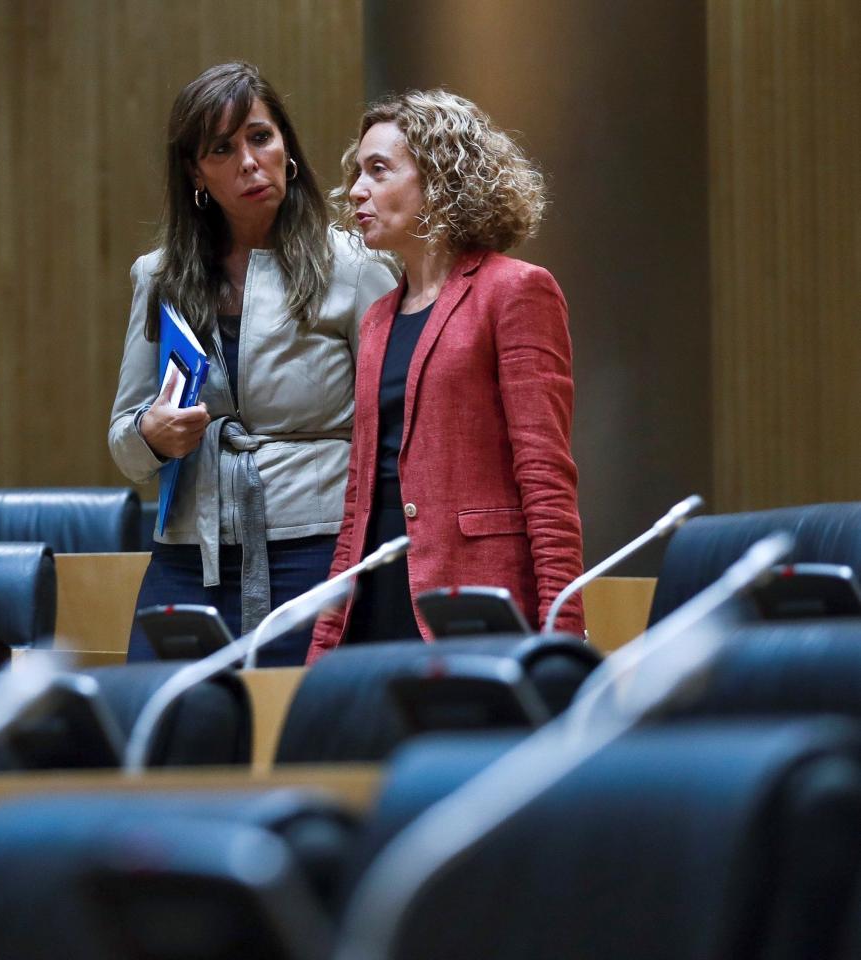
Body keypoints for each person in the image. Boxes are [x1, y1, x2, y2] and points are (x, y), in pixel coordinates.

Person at [108, 62, 395, 666]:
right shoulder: (158, 276)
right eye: (222, 148)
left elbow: (393, 425)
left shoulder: (354, 266)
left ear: (286, 146)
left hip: (315, 543)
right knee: (165, 725)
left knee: (299, 731)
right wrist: (153, 435)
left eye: (260, 137)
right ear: (195, 172)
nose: (248, 161)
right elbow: (125, 444)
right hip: (192, 547)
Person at [309, 90, 584, 661]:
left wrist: (563, 631)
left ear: (438, 177)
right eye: (357, 173)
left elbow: (546, 477)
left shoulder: (515, 290)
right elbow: (359, 497)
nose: (356, 190)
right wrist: (323, 640)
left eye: (378, 171)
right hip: (374, 591)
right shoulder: (379, 317)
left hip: (471, 593)